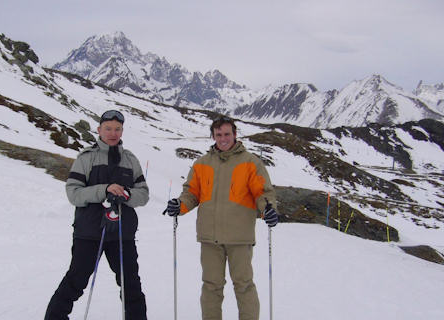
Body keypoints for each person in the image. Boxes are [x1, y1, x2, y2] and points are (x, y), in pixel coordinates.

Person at [164, 116, 279, 320]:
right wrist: (179, 206)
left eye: (227, 134)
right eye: (219, 135)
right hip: (210, 238)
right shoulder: (202, 163)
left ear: (235, 134)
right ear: (213, 136)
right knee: (211, 286)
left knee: (243, 286)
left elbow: (263, 193)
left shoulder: (251, 162)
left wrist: (268, 209)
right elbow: (191, 193)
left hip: (239, 238)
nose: (223, 138)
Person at [45, 110, 149, 320]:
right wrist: (104, 190)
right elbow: (73, 193)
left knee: (131, 285)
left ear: (122, 131)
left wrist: (126, 195)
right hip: (90, 232)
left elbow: (144, 194)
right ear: (99, 130)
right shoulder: (87, 158)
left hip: (122, 233)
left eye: (117, 129)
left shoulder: (130, 159)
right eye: (108, 129)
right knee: (76, 281)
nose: (113, 133)